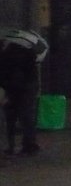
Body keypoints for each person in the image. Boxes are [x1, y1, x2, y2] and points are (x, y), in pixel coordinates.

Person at [0, 27, 49, 155]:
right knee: (26, 117)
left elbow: (9, 75)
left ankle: (16, 146)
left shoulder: (9, 54)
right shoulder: (25, 51)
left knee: (15, 117)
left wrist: (6, 92)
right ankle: (28, 145)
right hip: (26, 87)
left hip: (19, 88)